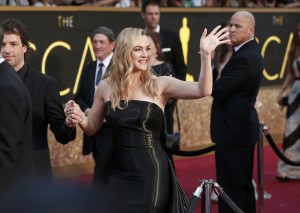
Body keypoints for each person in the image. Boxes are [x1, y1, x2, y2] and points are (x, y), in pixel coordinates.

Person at [65, 26, 229, 212]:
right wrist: (79, 117)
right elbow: (92, 126)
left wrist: (206, 55)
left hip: (150, 172)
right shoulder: (106, 86)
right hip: (114, 170)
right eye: (138, 49)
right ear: (125, 51)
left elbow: (203, 90)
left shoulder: (160, 84)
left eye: (147, 49)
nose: (145, 55)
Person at [0, 19, 76, 182]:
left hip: (33, 178)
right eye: (2, 44)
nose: (6, 50)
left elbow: (61, 134)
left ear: (24, 48)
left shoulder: (45, 84)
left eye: (13, 44)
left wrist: (69, 123)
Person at [210, 11, 264, 213]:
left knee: (231, 189)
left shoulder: (245, 58)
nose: (231, 29)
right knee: (241, 186)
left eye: (237, 26)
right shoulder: (242, 52)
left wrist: (207, 60)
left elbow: (217, 90)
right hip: (239, 131)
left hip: (234, 132)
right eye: (231, 25)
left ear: (251, 30)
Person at [141, 0, 186, 160]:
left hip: (167, 103)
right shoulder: (137, 37)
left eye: (156, 13)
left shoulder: (172, 36)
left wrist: (174, 94)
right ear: (143, 15)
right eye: (150, 14)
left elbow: (181, 66)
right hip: (142, 102)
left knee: (165, 145)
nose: (153, 17)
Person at [74, 26, 115, 185]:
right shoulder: (88, 68)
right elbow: (79, 97)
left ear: (112, 45)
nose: (97, 45)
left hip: (112, 130)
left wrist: (105, 113)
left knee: (105, 169)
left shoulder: (120, 69)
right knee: (100, 164)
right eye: (95, 41)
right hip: (93, 130)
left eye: (101, 42)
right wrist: (88, 110)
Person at [0, 26, 34, 193]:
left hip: (9, 191)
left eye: (14, 43)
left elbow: (6, 150)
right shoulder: (6, 78)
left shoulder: (7, 86)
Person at [276, 22, 300, 181]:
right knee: (291, 130)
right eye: (299, 30)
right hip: (295, 94)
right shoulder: (294, 50)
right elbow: (290, 74)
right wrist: (281, 92)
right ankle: (289, 169)